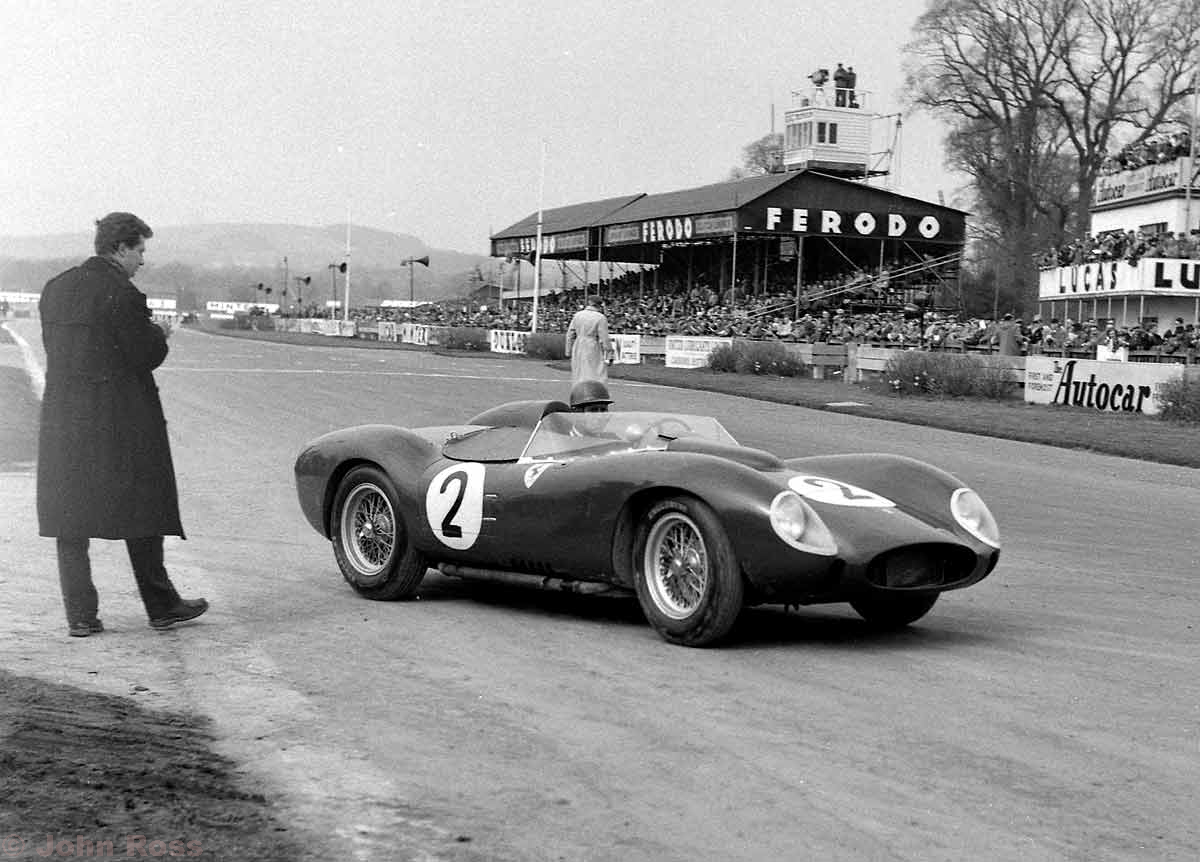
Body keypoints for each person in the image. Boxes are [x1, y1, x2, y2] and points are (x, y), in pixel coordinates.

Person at [37, 212, 208, 637]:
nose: (142, 261)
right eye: (140, 251)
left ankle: (80, 616)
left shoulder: (55, 288)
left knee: (70, 515)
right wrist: (160, 334)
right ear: (121, 248)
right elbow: (142, 355)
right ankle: (161, 605)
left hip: (64, 417)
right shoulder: (123, 293)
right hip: (119, 418)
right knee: (143, 504)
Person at [564, 297, 613, 385]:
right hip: (592, 344)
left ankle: (579, 390)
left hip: (578, 344)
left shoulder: (578, 315)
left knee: (579, 371)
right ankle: (594, 390)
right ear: (599, 305)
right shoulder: (600, 317)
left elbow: (570, 334)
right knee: (595, 371)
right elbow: (604, 338)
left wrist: (568, 350)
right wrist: (609, 354)